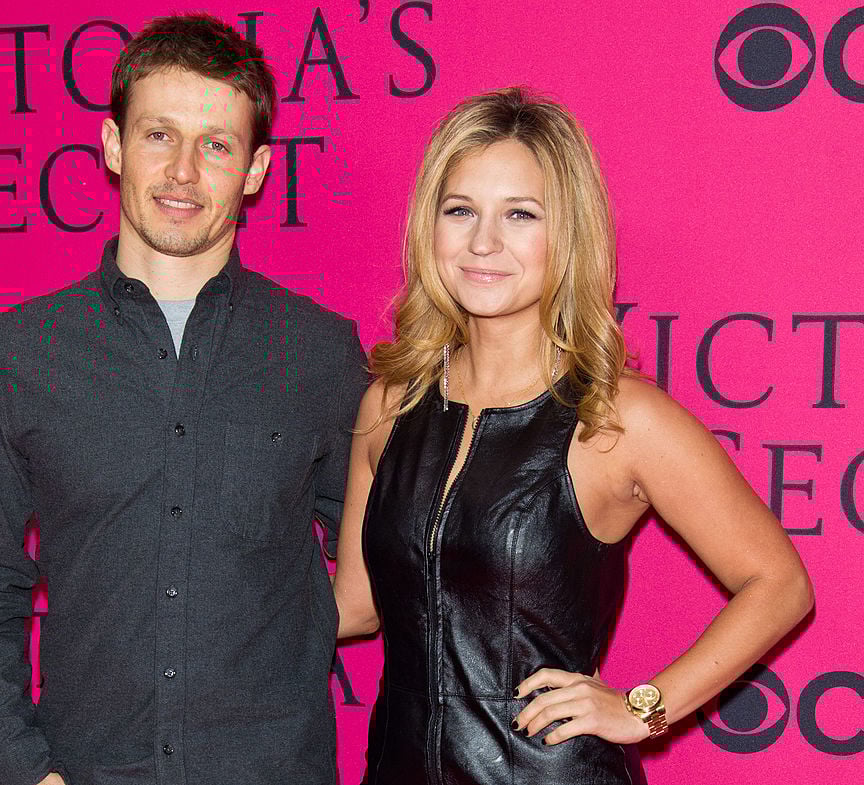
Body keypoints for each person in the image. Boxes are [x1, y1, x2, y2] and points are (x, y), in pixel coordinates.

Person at [332, 88, 813, 784]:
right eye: (460, 210)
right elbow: (354, 605)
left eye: (520, 214)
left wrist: (645, 708)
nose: (483, 242)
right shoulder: (388, 405)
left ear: (568, 235)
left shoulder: (615, 417)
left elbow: (780, 583)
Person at [0, 14, 367, 785]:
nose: (183, 172)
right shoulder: (17, 353)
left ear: (256, 170)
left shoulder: (320, 353)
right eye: (159, 135)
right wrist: (23, 771)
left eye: (216, 145)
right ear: (113, 145)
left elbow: (400, 560)